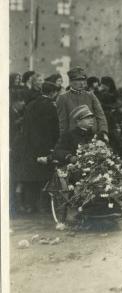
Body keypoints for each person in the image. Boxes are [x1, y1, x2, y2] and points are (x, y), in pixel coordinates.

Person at [20, 82, 61, 213]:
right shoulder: (51, 107)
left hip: (30, 146)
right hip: (45, 146)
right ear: (52, 93)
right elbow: (54, 129)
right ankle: (44, 206)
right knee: (46, 176)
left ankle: (30, 205)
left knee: (31, 176)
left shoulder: (30, 105)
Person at [56, 67, 109, 139]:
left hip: (93, 136)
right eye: (78, 80)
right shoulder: (63, 98)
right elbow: (63, 122)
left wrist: (103, 132)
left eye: (83, 80)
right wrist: (64, 139)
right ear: (71, 81)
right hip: (74, 138)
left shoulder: (90, 96)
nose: (82, 83)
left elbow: (100, 115)